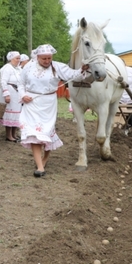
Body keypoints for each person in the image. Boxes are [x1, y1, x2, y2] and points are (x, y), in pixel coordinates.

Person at [18, 44, 90, 177]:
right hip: (31, 103)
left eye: (49, 58)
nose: (47, 61)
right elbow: (21, 83)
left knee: (46, 133)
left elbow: (74, 75)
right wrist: (23, 95)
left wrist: (82, 69)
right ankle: (40, 167)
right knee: (34, 134)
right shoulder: (28, 67)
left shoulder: (57, 67)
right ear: (37, 57)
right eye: (44, 58)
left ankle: (45, 159)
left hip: (48, 104)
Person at [0, 51, 22, 142]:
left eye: (19, 58)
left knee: (16, 114)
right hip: (10, 91)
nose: (18, 60)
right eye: (17, 58)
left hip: (17, 93)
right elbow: (3, 81)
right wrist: (6, 94)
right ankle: (8, 135)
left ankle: (14, 134)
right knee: (10, 114)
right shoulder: (7, 68)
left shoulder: (18, 69)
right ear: (11, 59)